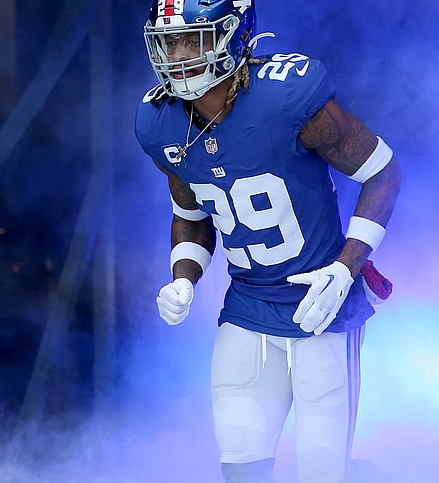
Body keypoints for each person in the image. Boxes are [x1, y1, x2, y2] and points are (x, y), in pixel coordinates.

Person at [134, 1, 400, 481]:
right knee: (241, 470)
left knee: (324, 473)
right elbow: (191, 214)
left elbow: (382, 174)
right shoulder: (160, 123)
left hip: (321, 308)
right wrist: (183, 278)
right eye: (168, 40)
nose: (177, 53)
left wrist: (345, 268)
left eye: (193, 38)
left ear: (233, 35)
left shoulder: (287, 97)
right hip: (248, 308)